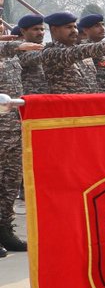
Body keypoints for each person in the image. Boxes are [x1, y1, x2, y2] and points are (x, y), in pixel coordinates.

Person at [0, 36, 44, 256]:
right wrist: (13, 46)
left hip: (14, 128)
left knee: (10, 184)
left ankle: (5, 231)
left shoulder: (12, 55)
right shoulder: (9, 48)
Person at [28, 12, 105, 95]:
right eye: (69, 27)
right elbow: (74, 52)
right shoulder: (51, 53)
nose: (74, 31)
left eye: (75, 27)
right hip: (66, 112)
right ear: (54, 30)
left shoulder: (80, 51)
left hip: (87, 109)